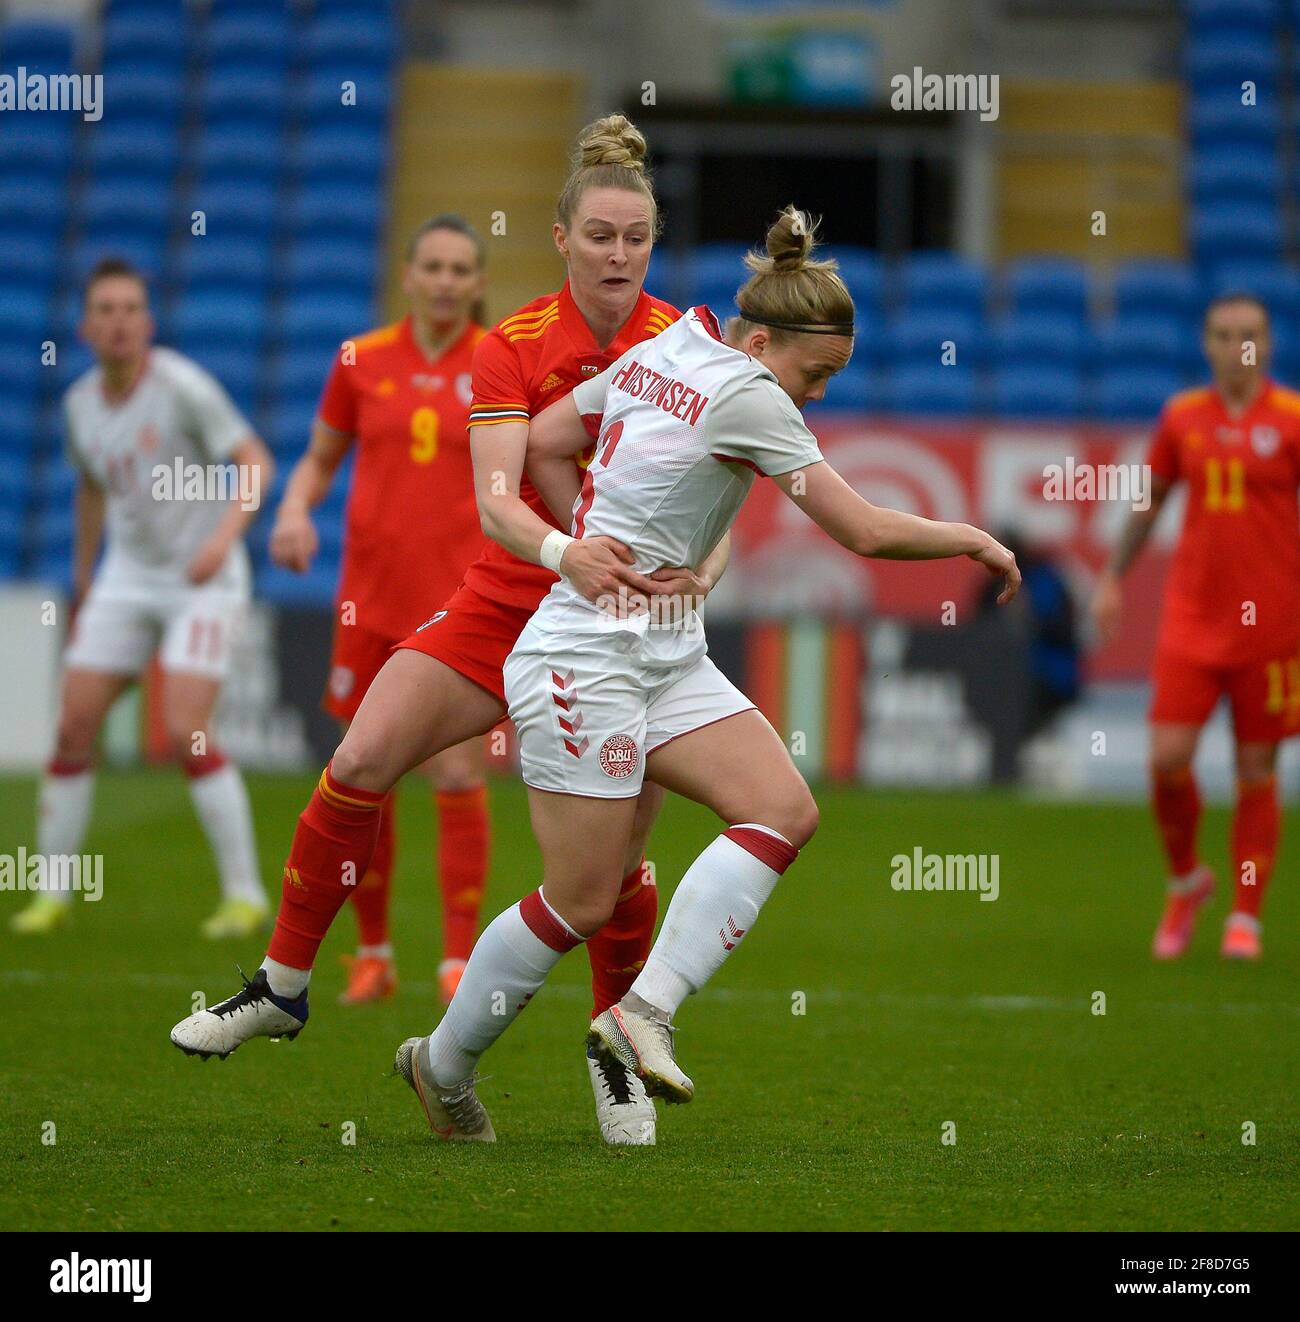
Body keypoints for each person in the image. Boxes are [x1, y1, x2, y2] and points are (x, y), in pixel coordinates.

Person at [393, 206, 1019, 1142]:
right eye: (813, 377)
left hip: (667, 647)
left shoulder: (669, 347)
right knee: (581, 898)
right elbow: (861, 529)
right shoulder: (748, 393)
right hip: (585, 656)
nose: (812, 399)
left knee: (784, 808)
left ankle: (640, 1014)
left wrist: (617, 536)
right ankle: (440, 1067)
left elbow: (549, 436)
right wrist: (972, 537)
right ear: (763, 342)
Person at [171, 113, 726, 1148]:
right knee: (362, 755)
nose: (617, 253)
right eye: (599, 234)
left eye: (635, 237)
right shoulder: (510, 346)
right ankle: (283, 983)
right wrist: (569, 554)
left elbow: (729, 496)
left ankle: (612, 1054)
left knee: (616, 862)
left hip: (626, 632)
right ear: (560, 237)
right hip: (508, 603)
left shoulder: (686, 346)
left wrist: (705, 573)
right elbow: (500, 503)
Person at [10, 258, 274, 938]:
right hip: (128, 575)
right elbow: (92, 485)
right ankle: (52, 893)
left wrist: (223, 537)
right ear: (86, 326)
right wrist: (85, 574)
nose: (120, 321)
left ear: (148, 323)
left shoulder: (182, 386)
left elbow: (256, 461)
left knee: (187, 729)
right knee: (72, 726)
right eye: (107, 310)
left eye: (132, 309)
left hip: (203, 579)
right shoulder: (78, 405)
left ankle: (245, 896)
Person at [269, 215, 491, 1006]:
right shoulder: (360, 360)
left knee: (457, 768)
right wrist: (294, 510)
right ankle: (373, 952)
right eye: (431, 265)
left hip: (459, 605)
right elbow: (320, 459)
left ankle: (458, 960)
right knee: (364, 773)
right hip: (369, 602)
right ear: (407, 274)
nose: (444, 281)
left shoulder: (498, 365)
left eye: (460, 269)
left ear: (476, 282)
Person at [1092, 292, 1300, 962]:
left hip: (1273, 623)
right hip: (1193, 618)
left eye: (1250, 334)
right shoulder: (1182, 418)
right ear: (1207, 344)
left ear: (1268, 345)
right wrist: (1112, 577)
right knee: (1168, 759)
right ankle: (1187, 881)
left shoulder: (1293, 419)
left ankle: (1246, 914)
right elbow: (1150, 502)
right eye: (1223, 334)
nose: (1237, 346)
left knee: (1256, 767)